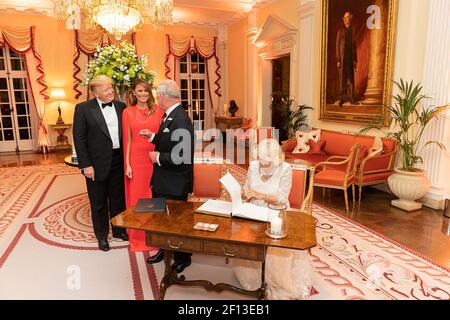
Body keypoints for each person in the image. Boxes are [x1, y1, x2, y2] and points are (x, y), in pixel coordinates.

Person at [232, 138, 314, 299]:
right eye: (260, 160)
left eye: (266, 162)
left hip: (277, 213)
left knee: (275, 246)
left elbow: (282, 199)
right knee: (245, 237)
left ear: (276, 159)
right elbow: (246, 186)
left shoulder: (285, 169)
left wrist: (258, 194)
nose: (262, 164)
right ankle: (253, 276)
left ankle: (275, 279)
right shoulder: (254, 166)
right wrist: (244, 192)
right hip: (254, 211)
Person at [140, 80, 194, 273]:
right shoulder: (170, 116)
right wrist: (153, 137)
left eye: (157, 96)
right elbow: (171, 141)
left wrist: (158, 157)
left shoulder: (180, 119)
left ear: (163, 96)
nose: (156, 99)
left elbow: (183, 156)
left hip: (175, 182)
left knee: (176, 223)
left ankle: (182, 257)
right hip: (165, 180)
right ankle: (165, 250)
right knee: (161, 219)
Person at [73, 75, 128, 252]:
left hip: (118, 160)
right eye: (106, 89)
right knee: (98, 202)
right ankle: (102, 236)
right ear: (95, 93)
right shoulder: (83, 109)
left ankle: (119, 231)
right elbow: (79, 139)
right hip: (95, 164)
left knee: (118, 199)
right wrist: (86, 165)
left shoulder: (121, 106)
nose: (111, 91)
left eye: (111, 87)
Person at [123, 79, 163, 252]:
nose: (143, 94)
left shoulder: (158, 111)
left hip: (154, 159)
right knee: (138, 198)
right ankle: (138, 237)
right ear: (134, 93)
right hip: (137, 161)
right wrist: (127, 164)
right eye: (140, 91)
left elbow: (162, 137)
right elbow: (128, 140)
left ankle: (155, 235)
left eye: (146, 91)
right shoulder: (128, 112)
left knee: (154, 197)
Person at [336, 11, 360, 107]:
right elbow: (337, 46)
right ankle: (342, 99)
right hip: (342, 60)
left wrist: (355, 62)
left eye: (347, 17)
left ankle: (352, 99)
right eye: (344, 17)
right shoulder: (340, 31)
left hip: (350, 60)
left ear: (350, 18)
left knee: (351, 80)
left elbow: (354, 47)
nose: (346, 19)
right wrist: (338, 59)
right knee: (342, 80)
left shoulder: (352, 30)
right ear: (343, 19)